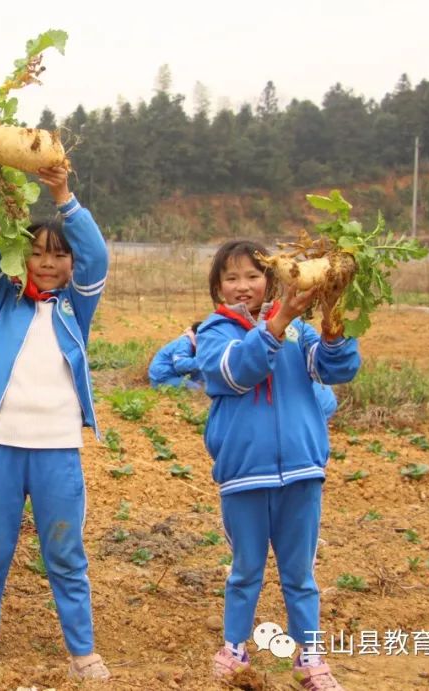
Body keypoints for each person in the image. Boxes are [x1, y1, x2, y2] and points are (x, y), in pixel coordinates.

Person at [0, 159, 110, 681]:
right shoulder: (2, 302)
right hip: (2, 447)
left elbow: (99, 257)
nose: (46, 263)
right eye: (35, 252)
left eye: (58, 255)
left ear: (70, 264)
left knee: (64, 553)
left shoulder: (75, 308)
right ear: (21, 258)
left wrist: (63, 197)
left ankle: (82, 653)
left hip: (58, 450)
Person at [196, 239, 360, 690]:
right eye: (231, 278)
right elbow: (236, 371)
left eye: (252, 276)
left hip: (303, 472)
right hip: (244, 475)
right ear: (218, 290)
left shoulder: (301, 334)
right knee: (245, 568)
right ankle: (235, 648)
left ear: (271, 282)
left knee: (300, 574)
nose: (243, 285)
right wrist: (278, 321)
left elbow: (335, 369)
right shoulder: (215, 333)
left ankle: (309, 657)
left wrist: (333, 327)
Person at [148, 321, 204, 390]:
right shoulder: (184, 343)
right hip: (163, 378)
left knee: (206, 382)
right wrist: (202, 360)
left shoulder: (193, 343)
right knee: (198, 389)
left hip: (174, 374)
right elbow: (181, 365)